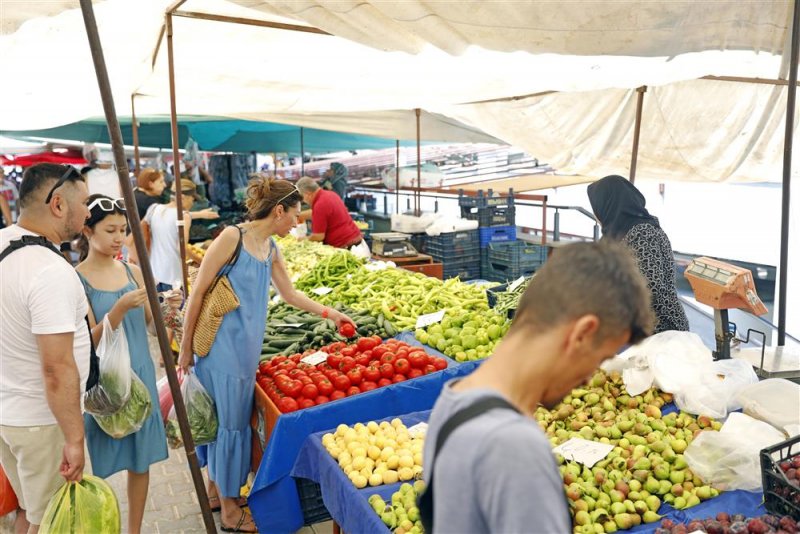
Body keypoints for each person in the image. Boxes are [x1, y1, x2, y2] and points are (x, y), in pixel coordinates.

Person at [422, 241, 655, 533]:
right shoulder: (514, 447)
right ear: (583, 333)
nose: (588, 379)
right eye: (600, 358)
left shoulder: (454, 400)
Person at [178, 176, 354, 533]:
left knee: (224, 421)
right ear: (279, 211)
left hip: (247, 349)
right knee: (229, 426)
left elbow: (289, 294)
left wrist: (330, 313)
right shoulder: (233, 238)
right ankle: (229, 510)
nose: (298, 222)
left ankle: (216, 491)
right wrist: (184, 349)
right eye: (294, 215)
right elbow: (196, 293)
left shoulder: (271, 247)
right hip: (221, 348)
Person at [76, 194, 176, 534]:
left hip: (142, 376)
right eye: (110, 230)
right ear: (87, 231)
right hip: (106, 385)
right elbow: (85, 341)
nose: (119, 237)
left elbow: (150, 325)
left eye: (123, 229)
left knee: (140, 460)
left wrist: (167, 309)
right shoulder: (76, 280)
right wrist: (116, 312)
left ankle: (134, 529)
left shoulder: (133, 271)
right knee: (103, 463)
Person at [0, 163, 92, 533]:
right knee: (55, 524)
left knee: (31, 513)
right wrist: (74, 437)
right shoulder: (50, 271)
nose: (88, 213)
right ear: (57, 204)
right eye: (84, 203)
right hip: (42, 422)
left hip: (11, 413)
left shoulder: (4, 241)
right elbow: (56, 367)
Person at [587, 175, 690, 333]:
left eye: (596, 207)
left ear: (608, 204)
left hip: (659, 329)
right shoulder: (613, 236)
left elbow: (650, 286)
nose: (596, 214)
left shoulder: (643, 232)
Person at [143, 178, 219, 291]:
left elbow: (173, 217)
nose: (193, 202)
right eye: (192, 198)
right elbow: (181, 249)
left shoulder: (154, 209)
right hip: (173, 279)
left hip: (154, 276)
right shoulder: (184, 216)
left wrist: (200, 214)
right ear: (183, 197)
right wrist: (202, 262)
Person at [295, 177, 367, 255]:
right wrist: (300, 215)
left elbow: (318, 237)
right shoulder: (330, 194)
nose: (304, 201)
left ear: (307, 194)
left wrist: (303, 240)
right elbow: (321, 213)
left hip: (347, 249)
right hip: (358, 242)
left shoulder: (320, 204)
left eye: (302, 198)